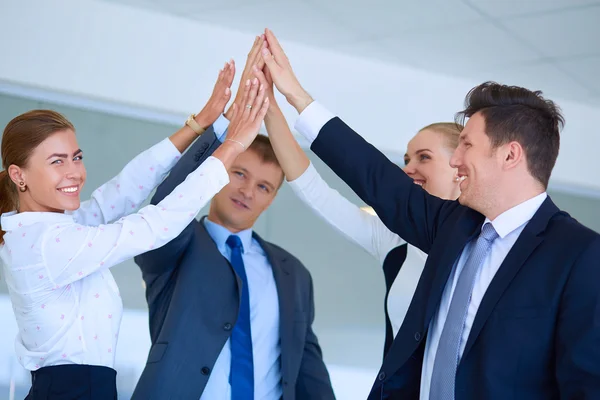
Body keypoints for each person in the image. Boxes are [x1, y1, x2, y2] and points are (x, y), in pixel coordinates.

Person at [258, 28, 600, 399]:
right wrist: (295, 94)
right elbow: (374, 175)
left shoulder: (579, 255)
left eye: (467, 145)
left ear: (510, 155)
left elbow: (585, 383)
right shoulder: (451, 226)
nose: (456, 160)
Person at [0, 63, 270, 399]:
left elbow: (122, 190)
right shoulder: (47, 244)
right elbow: (153, 226)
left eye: (76, 157)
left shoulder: (46, 229)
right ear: (18, 175)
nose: (74, 172)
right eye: (57, 161)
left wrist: (204, 124)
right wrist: (232, 147)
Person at [132, 36, 335, 400]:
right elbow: (168, 201)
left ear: (271, 200)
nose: (247, 192)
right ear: (219, 171)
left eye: (263, 187)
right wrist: (232, 122)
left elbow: (307, 369)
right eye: (239, 174)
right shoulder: (174, 243)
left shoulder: (294, 273)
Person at [259, 64, 462, 356]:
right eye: (406, 159)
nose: (408, 168)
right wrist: (270, 109)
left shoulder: (484, 241)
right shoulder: (393, 239)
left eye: (424, 157)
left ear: (459, 167)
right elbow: (315, 191)